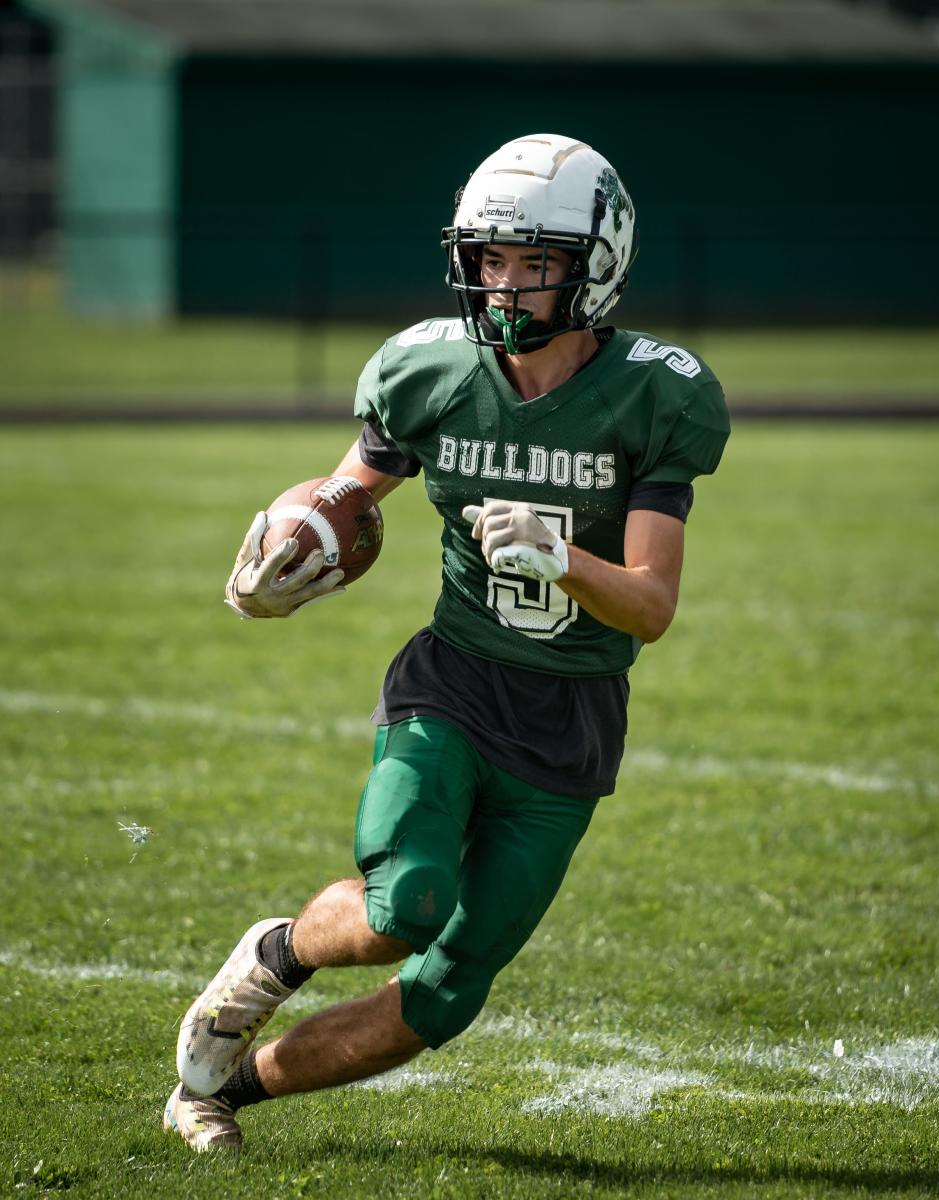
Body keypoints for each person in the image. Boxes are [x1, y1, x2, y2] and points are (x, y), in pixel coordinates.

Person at [163, 132, 729, 1152]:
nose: (503, 282)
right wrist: (281, 542)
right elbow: (344, 491)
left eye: (534, 261)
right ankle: (278, 952)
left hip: (574, 719)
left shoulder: (657, 394)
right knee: (405, 904)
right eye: (489, 257)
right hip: (455, 684)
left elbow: (650, 605)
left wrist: (562, 559)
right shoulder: (430, 368)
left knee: (447, 991)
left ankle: (223, 1094)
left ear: (595, 265)